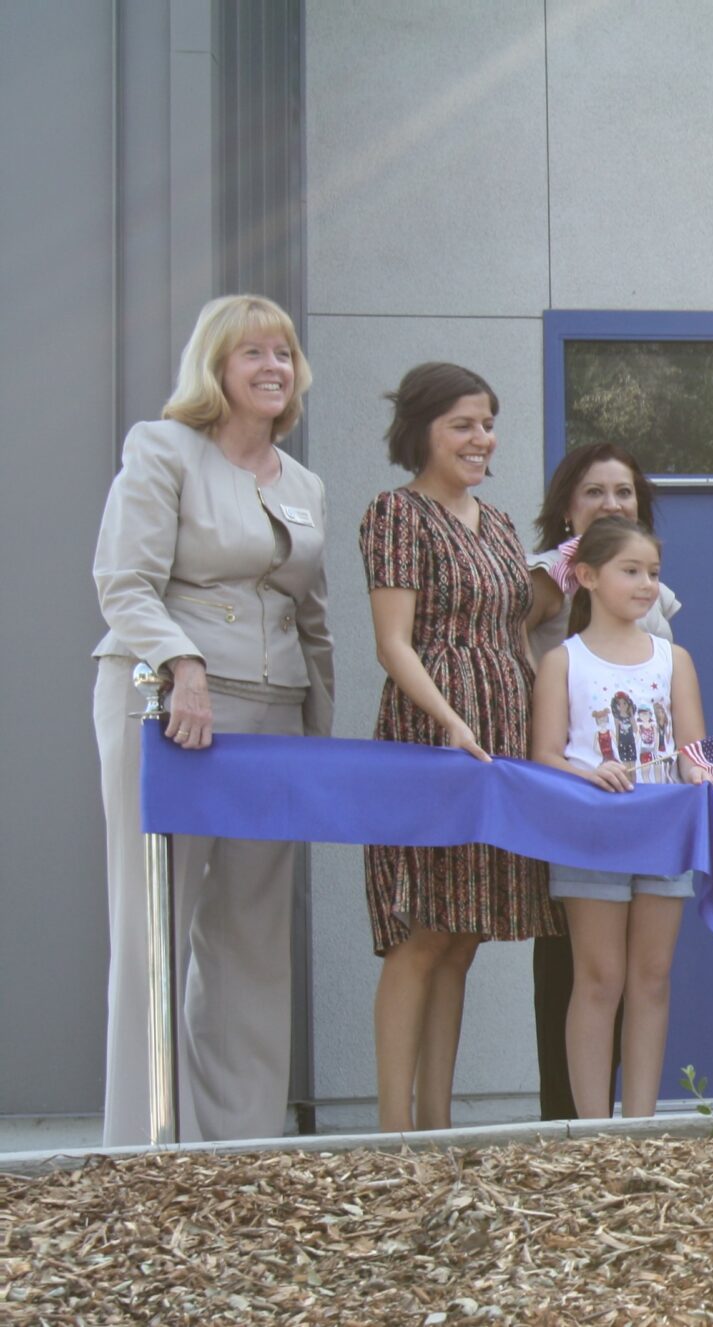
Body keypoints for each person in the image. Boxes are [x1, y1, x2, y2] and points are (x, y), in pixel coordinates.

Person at [91, 293, 333, 1145]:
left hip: (274, 715)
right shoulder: (162, 450)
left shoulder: (304, 484)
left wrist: (320, 741)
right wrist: (179, 661)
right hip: (169, 706)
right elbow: (123, 582)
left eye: (283, 352)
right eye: (252, 353)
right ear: (216, 369)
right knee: (154, 921)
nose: (273, 367)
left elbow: (314, 620)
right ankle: (149, 1140)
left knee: (254, 932)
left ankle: (245, 1142)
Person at [359, 362, 559, 1133]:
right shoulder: (396, 514)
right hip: (433, 736)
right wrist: (449, 718)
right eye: (463, 425)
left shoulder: (502, 524)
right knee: (419, 930)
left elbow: (515, 632)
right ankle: (392, 1131)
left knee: (464, 932)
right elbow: (392, 644)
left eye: (487, 423)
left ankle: (439, 1125)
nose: (482, 439)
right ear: (423, 431)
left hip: (500, 737)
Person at [529, 517, 710, 1119]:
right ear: (586, 577)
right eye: (630, 571)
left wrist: (710, 783)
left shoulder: (673, 657)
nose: (646, 585)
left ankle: (641, 1123)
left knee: (651, 979)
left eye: (653, 574)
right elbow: (545, 756)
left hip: (662, 833)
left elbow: (696, 751)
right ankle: (593, 1128)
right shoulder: (563, 660)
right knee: (599, 979)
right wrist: (587, 775)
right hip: (591, 834)